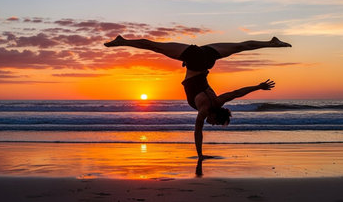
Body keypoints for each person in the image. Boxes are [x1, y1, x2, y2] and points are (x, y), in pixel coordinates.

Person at [104, 35, 291, 160]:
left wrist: (258, 86)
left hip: (207, 58)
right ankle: (122, 41)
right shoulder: (204, 110)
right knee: (155, 47)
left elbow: (236, 93)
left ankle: (271, 43)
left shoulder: (218, 101)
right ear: (215, 116)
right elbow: (197, 133)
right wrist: (200, 155)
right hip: (194, 58)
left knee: (241, 47)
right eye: (215, 123)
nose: (212, 124)